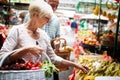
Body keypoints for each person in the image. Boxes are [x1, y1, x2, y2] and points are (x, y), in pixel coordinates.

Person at [0, 0, 89, 73]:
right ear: (35, 15)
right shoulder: (17, 31)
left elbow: (53, 57)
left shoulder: (43, 35)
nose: (48, 21)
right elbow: (2, 56)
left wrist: (75, 64)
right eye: (46, 18)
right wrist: (26, 49)